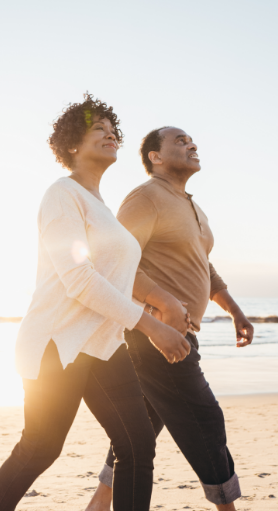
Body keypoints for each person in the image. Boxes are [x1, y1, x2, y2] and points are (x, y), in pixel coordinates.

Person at [0, 102, 191, 511]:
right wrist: (150, 325)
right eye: (97, 129)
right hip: (57, 343)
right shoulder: (62, 194)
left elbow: (118, 277)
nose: (109, 134)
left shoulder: (101, 207)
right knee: (41, 447)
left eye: (112, 128)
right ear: (71, 145)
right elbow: (79, 279)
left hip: (102, 345)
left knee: (137, 445)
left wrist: (159, 306)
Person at [87, 126, 254, 511]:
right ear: (154, 157)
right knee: (205, 420)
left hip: (178, 335)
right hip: (154, 337)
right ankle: (227, 506)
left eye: (192, 140)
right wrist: (158, 307)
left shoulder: (192, 206)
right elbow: (114, 260)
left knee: (140, 431)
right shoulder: (146, 198)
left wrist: (234, 310)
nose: (192, 144)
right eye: (180, 141)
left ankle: (99, 502)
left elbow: (201, 265)